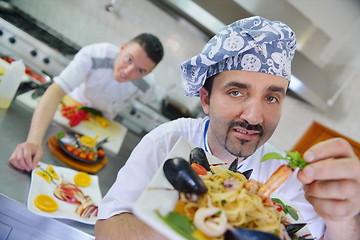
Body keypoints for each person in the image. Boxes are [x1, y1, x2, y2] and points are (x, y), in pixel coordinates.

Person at [95, 16, 360, 239]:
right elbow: (107, 226)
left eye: (271, 97)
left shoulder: (291, 179)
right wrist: (190, 221)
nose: (255, 116)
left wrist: (344, 218)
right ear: (206, 99)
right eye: (236, 92)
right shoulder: (168, 140)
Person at [9, 33, 164, 171]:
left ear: (148, 73)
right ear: (122, 48)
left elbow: (153, 99)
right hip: (68, 114)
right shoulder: (94, 54)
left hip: (100, 129)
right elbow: (56, 91)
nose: (128, 71)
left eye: (140, 70)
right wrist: (34, 141)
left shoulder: (147, 84)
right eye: (129, 59)